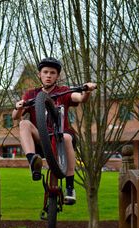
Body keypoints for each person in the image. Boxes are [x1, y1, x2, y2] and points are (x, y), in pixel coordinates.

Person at [12, 57, 96, 205]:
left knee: (67, 137)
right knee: (24, 123)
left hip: (61, 138)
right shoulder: (31, 94)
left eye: (52, 72)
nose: (48, 75)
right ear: (40, 75)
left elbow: (80, 98)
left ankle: (70, 188)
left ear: (57, 76)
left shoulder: (63, 91)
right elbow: (15, 117)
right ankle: (33, 161)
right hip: (42, 138)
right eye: (45, 72)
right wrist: (18, 108)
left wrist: (87, 90)